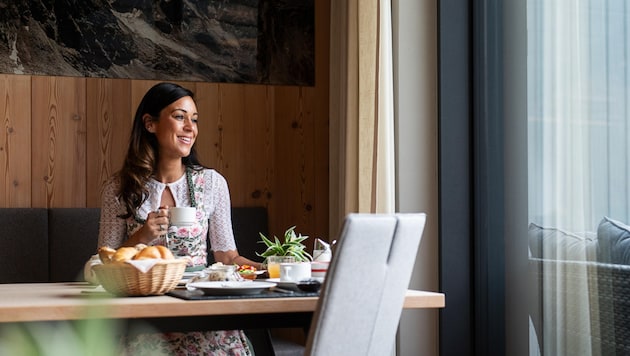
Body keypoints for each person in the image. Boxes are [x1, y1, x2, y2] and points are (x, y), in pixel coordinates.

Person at [95, 82, 261, 355]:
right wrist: (141, 237)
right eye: (180, 116)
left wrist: (266, 269)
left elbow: (227, 257)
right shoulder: (120, 187)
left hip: (199, 310)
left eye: (194, 119)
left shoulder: (212, 183)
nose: (190, 127)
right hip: (142, 315)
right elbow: (104, 260)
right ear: (150, 123)